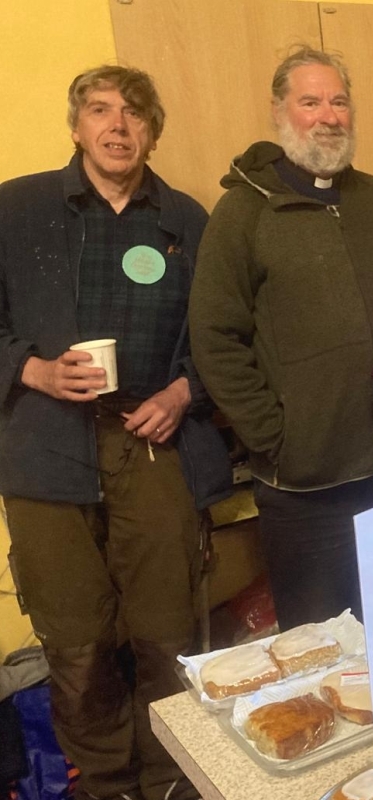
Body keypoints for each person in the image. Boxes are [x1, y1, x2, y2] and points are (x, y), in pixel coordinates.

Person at [0, 65, 231, 800]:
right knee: (76, 640)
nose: (118, 126)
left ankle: (172, 776)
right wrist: (31, 370)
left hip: (153, 439)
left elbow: (227, 335)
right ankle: (105, 783)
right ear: (76, 126)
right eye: (100, 111)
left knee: (169, 631)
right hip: (46, 449)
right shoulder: (17, 208)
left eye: (135, 114)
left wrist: (184, 389)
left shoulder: (190, 221)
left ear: (153, 131)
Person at [190, 46, 373, 630]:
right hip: (303, 488)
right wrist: (275, 436)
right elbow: (215, 338)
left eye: (340, 101)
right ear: (280, 111)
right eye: (310, 101)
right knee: (323, 653)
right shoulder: (243, 213)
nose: (328, 115)